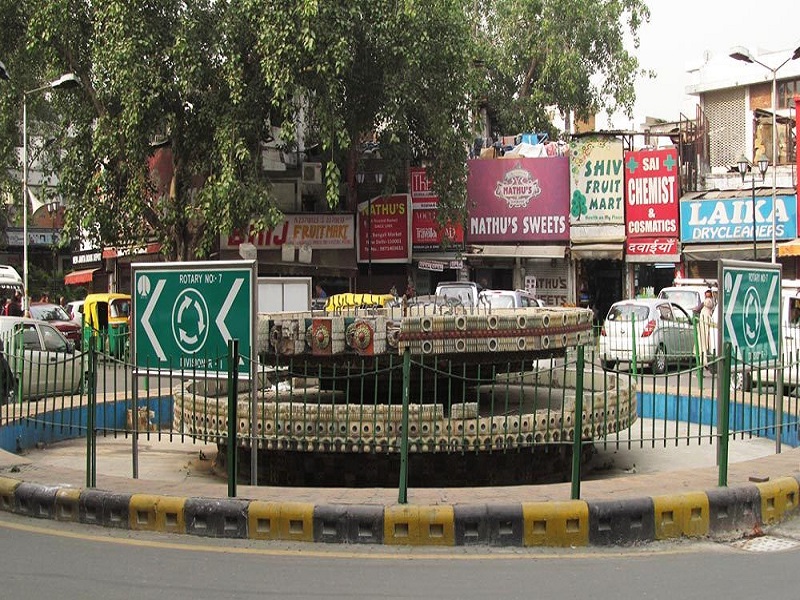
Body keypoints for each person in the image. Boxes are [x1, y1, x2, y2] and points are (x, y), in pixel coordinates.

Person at [696, 289, 715, 369]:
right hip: (704, 326)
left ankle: (704, 362)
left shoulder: (707, 303)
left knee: (704, 345)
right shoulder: (709, 305)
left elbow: (698, 308)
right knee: (704, 345)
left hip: (705, 326)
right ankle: (704, 362)